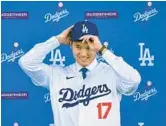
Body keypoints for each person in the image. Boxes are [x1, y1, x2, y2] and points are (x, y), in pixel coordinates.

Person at [19, 20, 141, 126]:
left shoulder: (112, 73)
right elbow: (26, 62)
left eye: (88, 47)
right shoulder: (56, 75)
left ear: (96, 45)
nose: (83, 54)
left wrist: (103, 50)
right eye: (78, 46)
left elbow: (134, 80)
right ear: (70, 45)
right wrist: (57, 40)